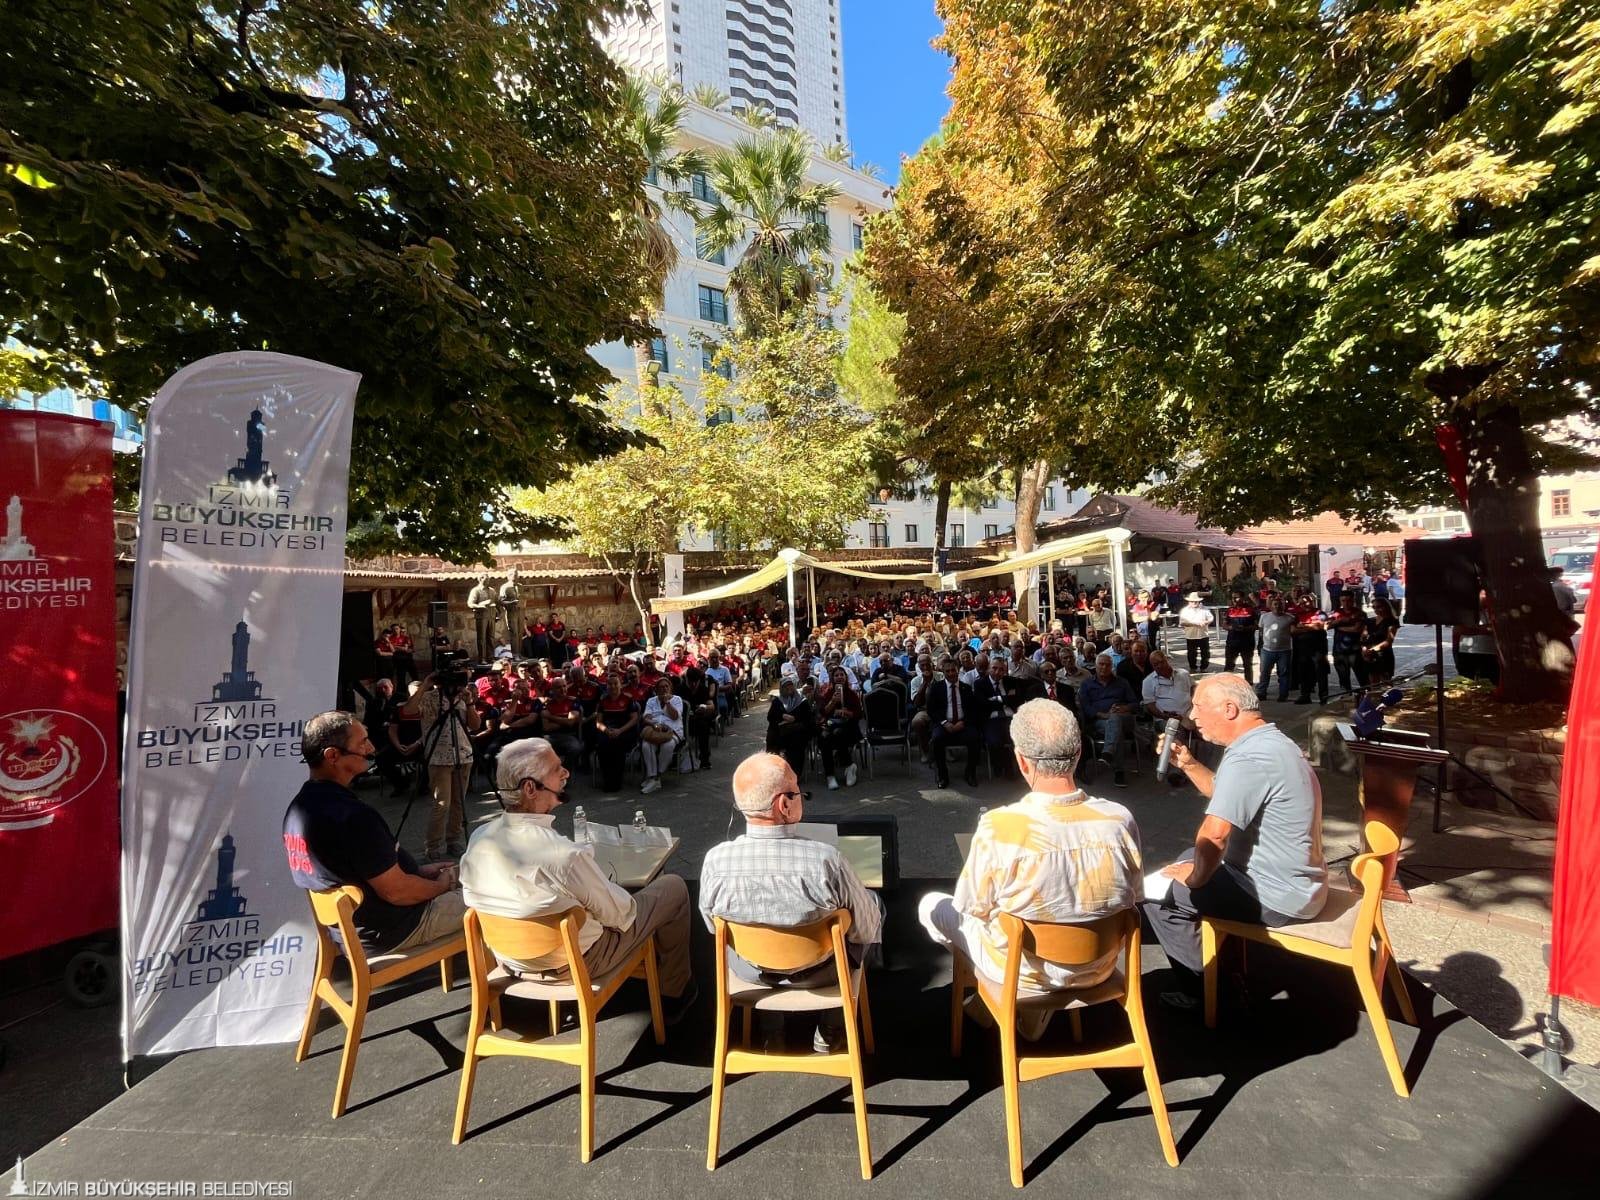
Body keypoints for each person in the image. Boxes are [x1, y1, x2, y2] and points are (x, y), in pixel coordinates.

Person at [920, 700, 1142, 1038]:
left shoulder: (999, 825)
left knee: (932, 906)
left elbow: (973, 907)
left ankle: (1003, 999)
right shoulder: (1120, 819)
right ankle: (1022, 1011)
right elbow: (1133, 897)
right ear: (1079, 753)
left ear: (1022, 761)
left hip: (1024, 973)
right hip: (1100, 966)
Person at [461, 738, 695, 1020]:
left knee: (593, 898)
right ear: (530, 788)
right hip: (576, 962)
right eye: (556, 769)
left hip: (510, 960)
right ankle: (674, 991)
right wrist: (606, 890)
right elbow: (622, 915)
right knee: (672, 887)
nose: (566, 773)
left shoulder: (479, 838)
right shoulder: (563, 855)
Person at [1144, 675, 1328, 1008]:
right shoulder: (1269, 741)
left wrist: (1195, 879)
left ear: (1229, 709)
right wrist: (1188, 763)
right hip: (1299, 883)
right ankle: (1223, 960)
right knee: (1187, 857)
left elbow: (1215, 834)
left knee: (1159, 897)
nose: (1192, 716)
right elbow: (1223, 792)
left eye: (1198, 707)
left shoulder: (1247, 758)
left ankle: (1208, 992)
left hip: (1276, 894)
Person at [699, 753, 884, 1052]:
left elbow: (712, 926)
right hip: (821, 973)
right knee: (873, 908)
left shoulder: (715, 861)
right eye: (799, 792)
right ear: (784, 804)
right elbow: (865, 930)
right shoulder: (827, 861)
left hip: (751, 972)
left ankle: (772, 1032)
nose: (802, 798)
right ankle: (831, 1028)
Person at [282, 711, 463, 953]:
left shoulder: (299, 808)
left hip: (356, 930)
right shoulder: (350, 816)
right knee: (494, 899)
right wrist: (441, 886)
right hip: (394, 929)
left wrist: (418, 872)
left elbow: (357, 870)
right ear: (333, 755)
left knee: (466, 876)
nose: (371, 748)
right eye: (362, 742)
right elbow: (397, 892)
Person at [400, 670, 482, 860]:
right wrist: (426, 685)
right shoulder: (429, 698)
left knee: (459, 803)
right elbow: (407, 711)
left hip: (463, 755)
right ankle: (433, 845)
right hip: (439, 757)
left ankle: (453, 840)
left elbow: (475, 725)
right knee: (441, 804)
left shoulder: (462, 698)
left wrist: (469, 702)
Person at [1079, 653, 1138, 787]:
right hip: (1100, 721)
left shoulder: (1122, 682)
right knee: (1116, 728)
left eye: (1107, 665)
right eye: (1101, 664)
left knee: (1116, 718)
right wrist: (1104, 715)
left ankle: (1108, 753)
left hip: (1125, 719)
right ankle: (1119, 771)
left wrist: (1124, 708)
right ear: (1095, 666)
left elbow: (1135, 704)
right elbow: (1085, 707)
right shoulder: (1087, 684)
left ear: (1112, 666)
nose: (1104, 667)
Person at [926, 656, 981, 788]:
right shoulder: (936, 688)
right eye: (947, 671)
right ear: (943, 672)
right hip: (944, 724)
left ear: (958, 670)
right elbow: (931, 710)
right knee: (937, 738)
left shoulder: (966, 688)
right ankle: (942, 775)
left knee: (975, 737)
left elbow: (973, 710)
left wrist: (963, 722)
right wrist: (944, 722)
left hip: (963, 724)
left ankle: (970, 773)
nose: (951, 673)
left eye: (953, 670)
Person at [817, 665, 865, 790]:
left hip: (849, 728)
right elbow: (823, 712)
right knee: (824, 737)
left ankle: (848, 767)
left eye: (841, 675)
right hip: (831, 726)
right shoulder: (828, 693)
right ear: (832, 678)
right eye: (836, 675)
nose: (839, 677)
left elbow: (859, 714)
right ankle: (830, 775)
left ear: (846, 677)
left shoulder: (852, 694)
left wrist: (848, 713)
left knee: (838, 733)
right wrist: (833, 702)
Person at [592, 672, 641, 793]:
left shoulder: (628, 699)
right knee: (603, 745)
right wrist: (606, 730)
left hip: (625, 730)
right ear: (606, 686)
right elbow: (598, 722)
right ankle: (607, 780)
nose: (612, 686)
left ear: (620, 685)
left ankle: (617, 780)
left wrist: (620, 730)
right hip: (607, 731)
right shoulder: (603, 700)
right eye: (610, 684)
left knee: (617, 745)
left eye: (615, 683)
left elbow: (634, 719)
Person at [640, 676, 685, 793]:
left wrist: (667, 703)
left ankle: (657, 776)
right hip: (655, 730)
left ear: (670, 688)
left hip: (672, 731)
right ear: (656, 690)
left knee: (667, 746)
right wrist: (654, 724)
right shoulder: (651, 701)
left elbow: (675, 716)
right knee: (646, 745)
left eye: (666, 686)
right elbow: (646, 717)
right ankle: (652, 776)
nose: (664, 689)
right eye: (661, 687)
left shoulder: (677, 699)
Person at [765, 677, 815, 774]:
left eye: (790, 685)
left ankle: (794, 773)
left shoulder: (801, 701)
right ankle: (773, 768)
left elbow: (808, 719)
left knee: (796, 740)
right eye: (785, 686)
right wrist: (782, 715)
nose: (789, 688)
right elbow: (770, 717)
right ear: (781, 689)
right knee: (772, 734)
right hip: (781, 732)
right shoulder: (777, 701)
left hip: (797, 732)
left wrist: (795, 719)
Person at [1328, 592, 1370, 695]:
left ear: (1353, 600)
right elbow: (1326, 626)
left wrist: (1338, 626)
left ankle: (1367, 695)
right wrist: (1340, 621)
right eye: (1343, 601)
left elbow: (1356, 629)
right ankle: (1347, 695)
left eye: (1348, 600)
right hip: (1339, 650)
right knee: (1343, 677)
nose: (1346, 603)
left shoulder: (1360, 613)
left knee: (1361, 675)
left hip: (1355, 650)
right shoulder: (1336, 613)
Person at [1257, 596, 1295, 702]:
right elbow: (1261, 631)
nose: (1277, 606)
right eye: (1275, 604)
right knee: (1264, 673)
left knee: (1284, 674)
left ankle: (1283, 695)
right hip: (1267, 650)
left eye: (1280, 604)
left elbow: (1294, 631)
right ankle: (1261, 692)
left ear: (1284, 606)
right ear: (1271, 606)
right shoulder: (1264, 617)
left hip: (1285, 651)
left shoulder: (1290, 618)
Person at [1362, 597, 1401, 685]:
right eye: (1374, 607)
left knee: (1386, 682)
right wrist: (1364, 649)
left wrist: (1372, 650)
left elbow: (1389, 641)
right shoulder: (1370, 620)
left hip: (1384, 655)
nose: (1376, 609)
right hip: (1369, 655)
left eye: (1379, 607)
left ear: (1386, 606)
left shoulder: (1392, 621)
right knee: (1373, 682)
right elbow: (1363, 637)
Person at [1222, 592, 1259, 683]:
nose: (1234, 600)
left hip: (1247, 642)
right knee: (1229, 664)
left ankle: (1249, 683)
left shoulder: (1251, 609)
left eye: (1237, 597)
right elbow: (1224, 625)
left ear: (1243, 598)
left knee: (1247, 665)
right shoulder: (1230, 610)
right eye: (1233, 597)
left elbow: (1257, 625)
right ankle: (1226, 683)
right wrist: (1231, 627)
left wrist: (1246, 628)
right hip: (1232, 642)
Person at [1179, 592, 1214, 673]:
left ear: (1199, 601)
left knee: (1205, 653)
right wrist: (1194, 624)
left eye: (1196, 601)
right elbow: (1182, 623)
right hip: (1191, 635)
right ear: (1189, 602)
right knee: (1191, 654)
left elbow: (1211, 618)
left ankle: (1204, 668)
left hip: (1203, 634)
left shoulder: (1204, 609)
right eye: (1192, 601)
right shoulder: (1185, 610)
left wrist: (1206, 622)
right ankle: (1193, 668)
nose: (1194, 603)